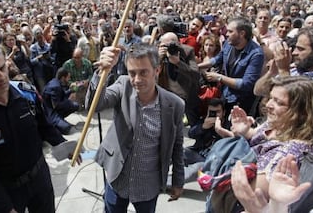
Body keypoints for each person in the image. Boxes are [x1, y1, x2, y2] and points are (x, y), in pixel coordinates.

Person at [0, 42, 76, 213]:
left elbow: (45, 126)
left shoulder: (27, 93)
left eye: (2, 68)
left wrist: (64, 146)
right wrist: (5, 207)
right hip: (6, 190)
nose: (1, 76)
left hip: (39, 177)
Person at [86, 43, 184, 212]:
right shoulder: (123, 86)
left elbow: (177, 145)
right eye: (132, 73)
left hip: (148, 185)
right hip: (117, 177)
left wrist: (178, 180)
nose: (137, 80)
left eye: (143, 72)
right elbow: (95, 105)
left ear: (157, 70)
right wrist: (103, 72)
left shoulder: (174, 104)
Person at [216, 76, 313, 211]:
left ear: (303, 113)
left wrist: (228, 171)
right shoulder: (278, 123)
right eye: (271, 98)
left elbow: (253, 192)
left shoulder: (290, 152)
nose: (268, 105)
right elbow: (256, 137)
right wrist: (244, 131)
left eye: (279, 102)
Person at [198, 16, 264, 117]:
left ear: (242, 33)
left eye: (230, 31)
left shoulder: (256, 54)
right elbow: (217, 59)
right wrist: (198, 66)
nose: (226, 34)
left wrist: (219, 78)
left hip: (241, 101)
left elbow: (246, 84)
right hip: (225, 94)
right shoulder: (229, 44)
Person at [255, 25, 313, 96]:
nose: (294, 53)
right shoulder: (296, 69)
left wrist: (284, 72)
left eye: (300, 49)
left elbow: (295, 106)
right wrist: (272, 73)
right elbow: (259, 91)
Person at [158, 32, 201, 127]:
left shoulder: (187, 51)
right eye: (166, 45)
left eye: (173, 45)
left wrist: (178, 62)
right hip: (164, 92)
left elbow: (196, 75)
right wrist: (158, 58)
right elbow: (150, 73)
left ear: (179, 43)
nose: (170, 48)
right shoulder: (156, 52)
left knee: (191, 123)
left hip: (184, 93)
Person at [42, 68, 79, 135]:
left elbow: (61, 95)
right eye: (68, 77)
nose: (69, 79)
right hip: (50, 112)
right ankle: (55, 123)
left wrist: (71, 90)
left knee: (75, 105)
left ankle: (60, 119)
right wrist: (69, 101)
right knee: (67, 128)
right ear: (62, 78)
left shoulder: (55, 81)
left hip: (54, 109)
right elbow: (56, 105)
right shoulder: (56, 86)